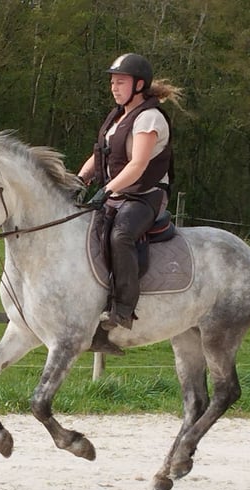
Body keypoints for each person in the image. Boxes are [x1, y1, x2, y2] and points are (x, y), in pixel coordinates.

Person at [78, 53, 183, 334]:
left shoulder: (149, 118)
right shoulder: (118, 117)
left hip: (145, 195)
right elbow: (97, 155)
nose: (114, 87)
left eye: (120, 82)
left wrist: (107, 190)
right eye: (113, 82)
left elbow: (137, 166)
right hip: (119, 194)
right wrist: (78, 179)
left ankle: (122, 309)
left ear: (138, 85)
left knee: (121, 235)